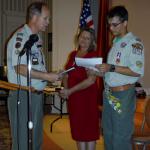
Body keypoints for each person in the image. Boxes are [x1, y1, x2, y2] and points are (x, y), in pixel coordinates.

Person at [7, 2, 60, 150]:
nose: (48, 22)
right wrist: (47, 76)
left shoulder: (35, 39)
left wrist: (49, 75)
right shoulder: (21, 37)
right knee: (23, 142)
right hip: (22, 95)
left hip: (35, 95)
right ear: (35, 17)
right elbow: (20, 68)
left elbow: (35, 67)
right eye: (46, 18)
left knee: (35, 141)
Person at [95, 6, 145, 150]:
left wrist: (110, 67)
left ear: (125, 23)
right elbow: (114, 71)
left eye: (114, 24)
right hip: (110, 94)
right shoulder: (116, 42)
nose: (111, 28)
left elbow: (137, 71)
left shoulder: (134, 43)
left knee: (120, 137)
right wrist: (100, 71)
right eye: (109, 24)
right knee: (108, 134)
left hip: (123, 95)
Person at [59, 27, 100, 150]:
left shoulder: (93, 56)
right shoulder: (72, 54)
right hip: (74, 98)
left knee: (89, 129)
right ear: (78, 38)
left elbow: (91, 80)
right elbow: (67, 74)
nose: (84, 40)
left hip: (87, 98)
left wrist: (69, 91)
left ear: (92, 41)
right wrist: (66, 91)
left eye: (88, 38)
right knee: (78, 128)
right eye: (82, 37)